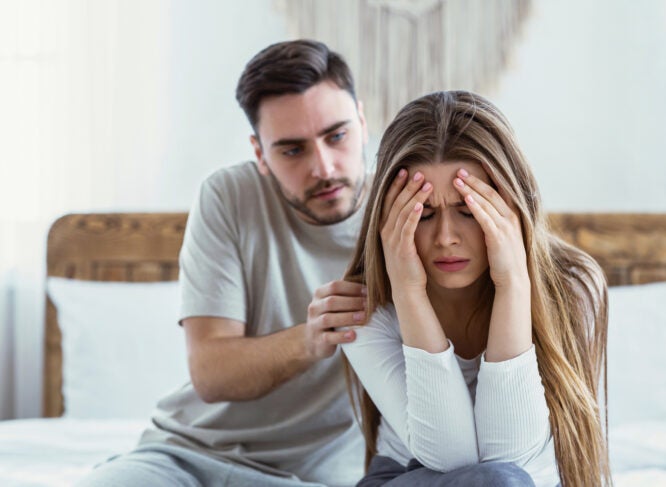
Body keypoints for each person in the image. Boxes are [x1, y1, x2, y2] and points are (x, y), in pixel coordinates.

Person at [78, 40, 369, 486]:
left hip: (314, 477)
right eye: (292, 150)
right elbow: (211, 372)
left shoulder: (405, 208)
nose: (324, 168)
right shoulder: (227, 197)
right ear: (260, 155)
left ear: (363, 123)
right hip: (184, 457)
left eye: (337, 135)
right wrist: (309, 340)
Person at [341, 91, 611, 487]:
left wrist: (514, 282)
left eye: (469, 211)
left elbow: (511, 457)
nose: (446, 237)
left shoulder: (573, 288)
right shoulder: (366, 307)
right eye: (424, 214)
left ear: (511, 206)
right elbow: (452, 459)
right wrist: (409, 293)